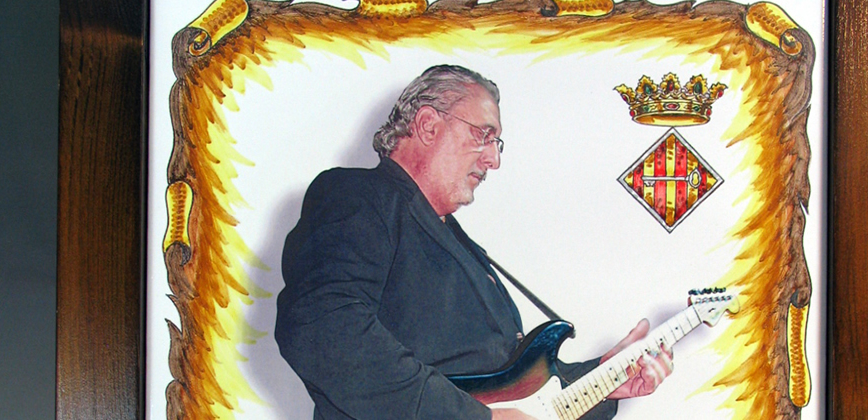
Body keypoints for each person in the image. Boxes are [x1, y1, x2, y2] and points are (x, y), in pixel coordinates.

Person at [275, 64, 673, 419]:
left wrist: (605, 379)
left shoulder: (457, 243)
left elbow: (513, 394)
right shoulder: (357, 196)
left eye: (496, 144)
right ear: (428, 125)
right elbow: (324, 329)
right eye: (484, 135)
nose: (493, 160)